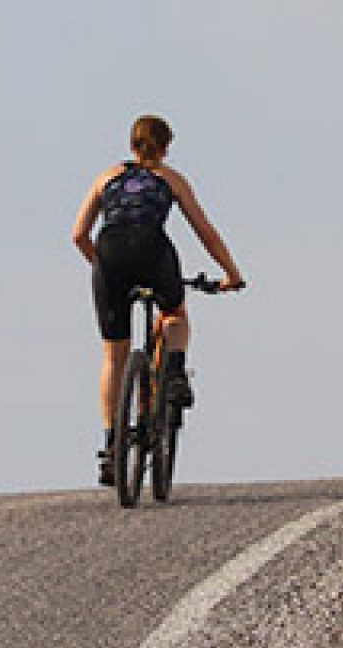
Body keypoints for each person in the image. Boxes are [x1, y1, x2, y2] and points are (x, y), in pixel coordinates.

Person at [72, 115, 245, 486]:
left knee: (113, 355)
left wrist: (102, 267)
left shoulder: (106, 177)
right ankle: (177, 373)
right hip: (152, 251)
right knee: (174, 312)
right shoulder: (170, 179)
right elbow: (205, 232)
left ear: (131, 144)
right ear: (165, 146)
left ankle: (111, 446)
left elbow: (78, 234)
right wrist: (232, 274)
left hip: (109, 254)